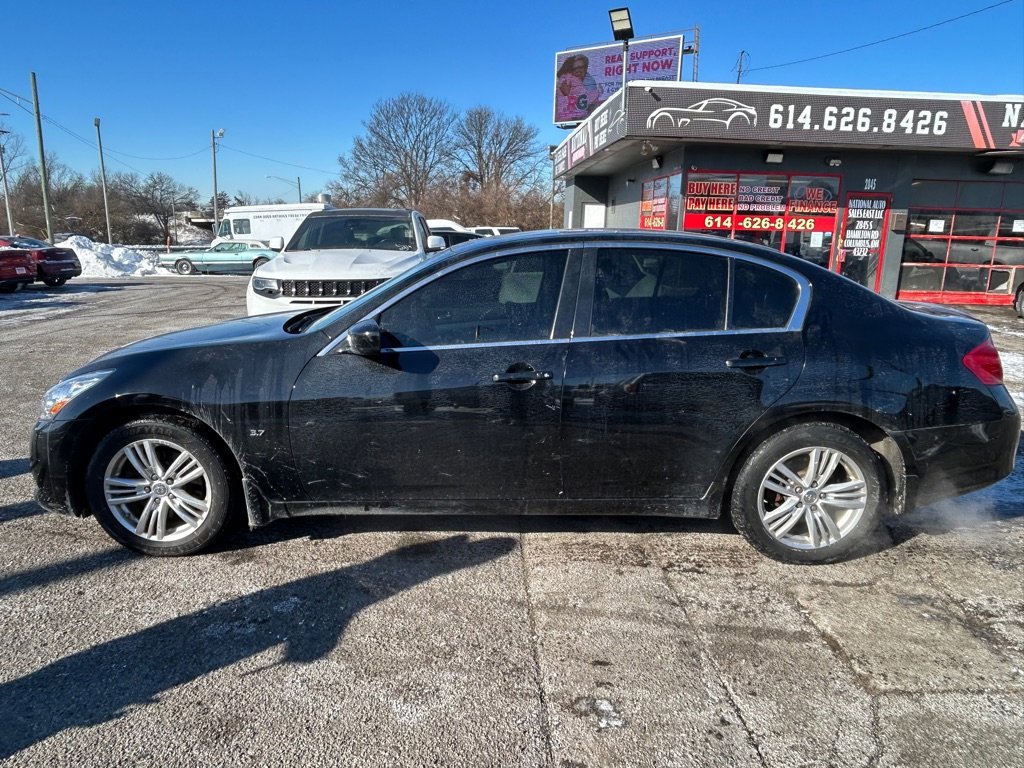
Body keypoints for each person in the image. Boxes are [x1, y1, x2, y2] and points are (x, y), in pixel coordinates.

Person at [556, 55, 601, 121]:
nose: (578, 71)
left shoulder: (589, 81)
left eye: (581, 67)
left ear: (586, 68)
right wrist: (598, 92)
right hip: (569, 117)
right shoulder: (569, 81)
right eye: (574, 68)